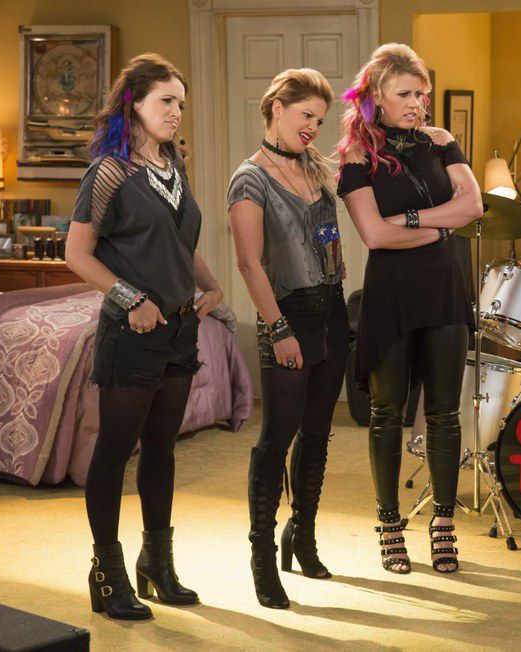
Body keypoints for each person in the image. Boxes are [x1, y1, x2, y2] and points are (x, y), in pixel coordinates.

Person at [67, 53, 223, 620]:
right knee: (115, 450)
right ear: (133, 103)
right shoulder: (109, 172)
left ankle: (157, 564)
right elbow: (77, 254)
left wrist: (212, 286)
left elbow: (180, 244)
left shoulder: (173, 164)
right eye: (166, 101)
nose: (177, 112)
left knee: (161, 448)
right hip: (131, 334)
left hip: (180, 329)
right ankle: (107, 576)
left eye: (181, 102)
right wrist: (131, 299)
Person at [336, 43, 482, 574]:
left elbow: (474, 206)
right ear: (377, 95)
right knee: (386, 413)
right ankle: (389, 524)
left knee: (444, 413)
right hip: (391, 293)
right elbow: (374, 235)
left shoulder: (441, 142)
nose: (417, 103)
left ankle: (443, 522)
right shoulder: (357, 155)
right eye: (405, 94)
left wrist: (411, 221)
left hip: (444, 287)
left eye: (422, 93)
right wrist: (441, 225)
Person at [228, 69, 348, 609]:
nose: (313, 128)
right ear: (277, 108)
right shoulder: (249, 179)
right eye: (306, 116)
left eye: (320, 120)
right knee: (277, 438)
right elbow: (248, 263)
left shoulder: (317, 168)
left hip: (332, 312)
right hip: (287, 316)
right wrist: (277, 329)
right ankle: (261, 554)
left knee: (318, 434)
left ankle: (302, 535)